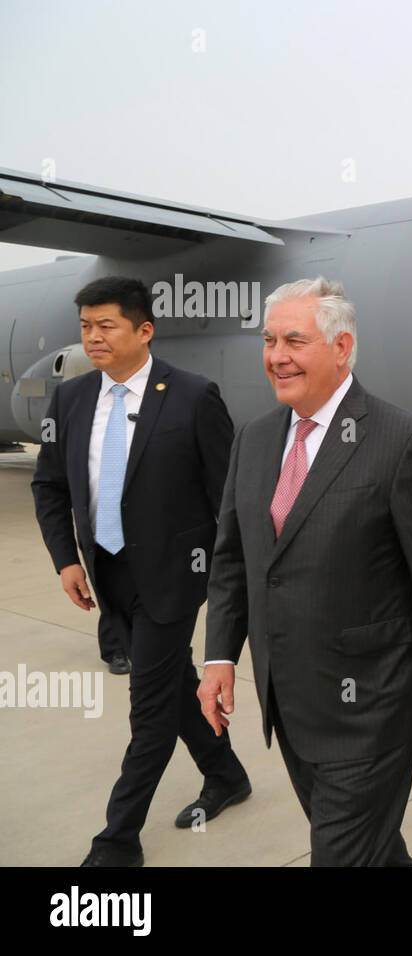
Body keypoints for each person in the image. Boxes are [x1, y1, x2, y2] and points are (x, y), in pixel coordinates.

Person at [198, 277, 412, 866]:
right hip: (289, 702)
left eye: (294, 340)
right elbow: (232, 560)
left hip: (369, 708)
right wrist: (220, 654)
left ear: (342, 347)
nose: (277, 356)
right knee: (371, 850)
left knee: (342, 854)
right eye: (269, 340)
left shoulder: (401, 441)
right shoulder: (252, 438)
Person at [31, 276, 249, 867]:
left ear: (143, 330)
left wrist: (231, 581)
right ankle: (226, 774)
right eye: (85, 327)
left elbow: (228, 496)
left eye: (106, 326)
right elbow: (49, 485)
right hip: (108, 576)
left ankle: (117, 842)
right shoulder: (70, 401)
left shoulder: (192, 396)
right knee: (173, 686)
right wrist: (66, 560)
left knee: (147, 709)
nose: (93, 338)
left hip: (176, 579)